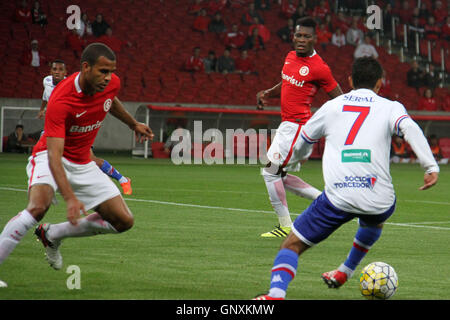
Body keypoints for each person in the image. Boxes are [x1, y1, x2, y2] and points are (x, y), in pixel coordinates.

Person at [253, 57, 439, 300]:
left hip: (338, 198)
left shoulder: (331, 107)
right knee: (375, 216)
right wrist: (430, 165)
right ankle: (345, 271)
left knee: (291, 246)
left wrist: (297, 158)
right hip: (380, 200)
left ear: (350, 81)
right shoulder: (391, 106)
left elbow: (303, 140)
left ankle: (276, 295)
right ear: (380, 83)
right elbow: (411, 129)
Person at [0, 43, 154, 287]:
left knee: (123, 221)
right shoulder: (61, 99)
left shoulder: (111, 83)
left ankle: (52, 234)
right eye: (103, 71)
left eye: (111, 71)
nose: (108, 77)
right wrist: (70, 198)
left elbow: (110, 100)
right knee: (38, 207)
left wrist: (132, 123)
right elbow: (54, 156)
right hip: (50, 156)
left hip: (83, 162)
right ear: (86, 67)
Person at [255, 17, 343, 238]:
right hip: (287, 126)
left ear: (315, 39)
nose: (301, 40)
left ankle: (285, 226)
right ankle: (328, 202)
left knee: (269, 171)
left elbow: (339, 98)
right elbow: (286, 83)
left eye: (306, 36)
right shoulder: (290, 57)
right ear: (293, 36)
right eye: (298, 35)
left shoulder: (320, 68)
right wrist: (267, 93)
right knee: (279, 175)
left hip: (299, 128)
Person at [38, 59, 133, 195]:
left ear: (65, 72)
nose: (57, 72)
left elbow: (108, 99)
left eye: (60, 70)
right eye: (54, 69)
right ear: (50, 71)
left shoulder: (75, 86)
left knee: (90, 161)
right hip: (57, 130)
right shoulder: (46, 81)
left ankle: (120, 180)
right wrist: (42, 109)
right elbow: (45, 96)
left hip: (77, 131)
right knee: (46, 154)